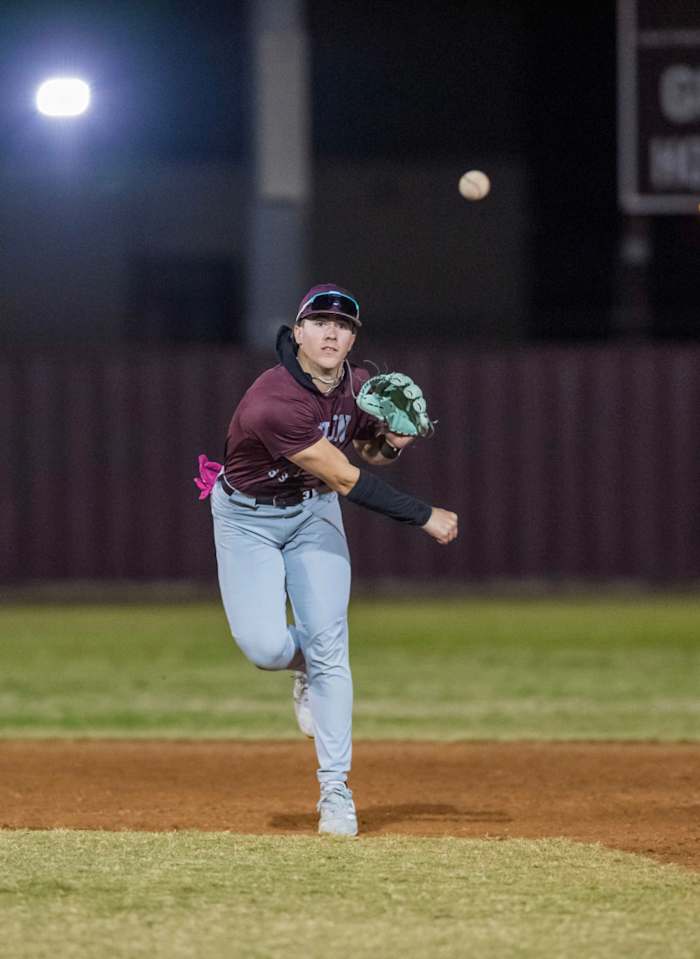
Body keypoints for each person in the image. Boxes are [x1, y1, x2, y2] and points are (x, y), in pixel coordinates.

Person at [204, 283, 458, 837]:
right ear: (297, 332)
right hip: (247, 518)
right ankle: (298, 667)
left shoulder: (359, 387)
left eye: (342, 326)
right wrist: (423, 515)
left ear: (352, 339)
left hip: (312, 513)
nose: (331, 332)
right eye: (319, 322)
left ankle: (336, 791)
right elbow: (345, 476)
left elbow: (367, 452)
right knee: (265, 648)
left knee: (330, 648)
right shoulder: (274, 401)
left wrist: (395, 439)